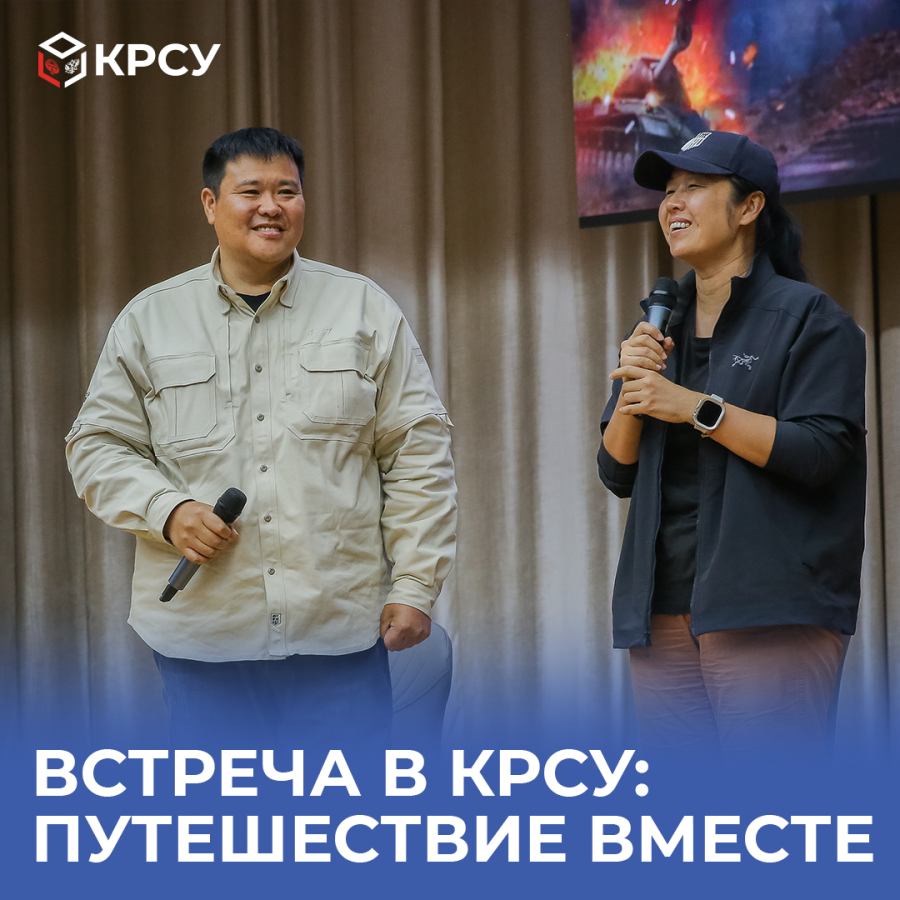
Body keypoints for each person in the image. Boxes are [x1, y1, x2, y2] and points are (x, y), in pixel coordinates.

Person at [66, 127, 457, 749]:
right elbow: (96, 445)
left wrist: (415, 585)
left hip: (339, 639)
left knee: (347, 808)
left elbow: (418, 455)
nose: (271, 207)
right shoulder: (149, 319)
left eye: (287, 191)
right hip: (205, 641)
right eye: (250, 191)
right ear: (210, 204)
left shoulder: (365, 309)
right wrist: (167, 510)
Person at [596, 131, 866, 759]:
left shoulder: (810, 318)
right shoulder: (659, 327)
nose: (673, 203)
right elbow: (616, 470)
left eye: (694, 186)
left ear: (749, 207)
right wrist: (636, 382)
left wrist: (693, 407)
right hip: (661, 610)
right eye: (668, 191)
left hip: (767, 607)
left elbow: (821, 453)